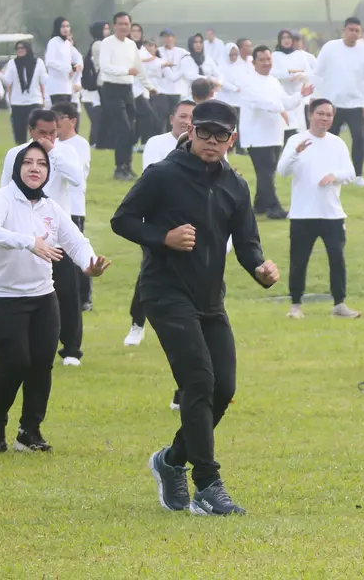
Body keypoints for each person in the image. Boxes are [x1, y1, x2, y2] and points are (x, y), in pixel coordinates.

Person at [112, 100, 281, 516]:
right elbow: (123, 220)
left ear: (232, 139)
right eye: (203, 132)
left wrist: (261, 267)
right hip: (165, 293)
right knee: (199, 382)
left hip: (210, 299)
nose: (210, 141)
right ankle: (206, 483)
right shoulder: (163, 174)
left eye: (219, 135)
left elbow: (246, 244)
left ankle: (170, 461)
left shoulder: (236, 186)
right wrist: (162, 237)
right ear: (191, 132)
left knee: (223, 388)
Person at [0, 141, 109, 453]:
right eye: (28, 163)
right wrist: (28, 242)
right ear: (16, 168)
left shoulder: (50, 207)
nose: (35, 168)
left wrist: (89, 265)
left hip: (41, 295)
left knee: (41, 363)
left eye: (42, 164)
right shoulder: (3, 198)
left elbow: (76, 241)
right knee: (15, 361)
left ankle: (29, 430)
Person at [0, 109, 88, 364]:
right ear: (31, 131)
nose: (48, 138)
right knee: (24, 293)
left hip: (57, 236)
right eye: (42, 134)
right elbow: (5, 188)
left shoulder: (65, 152)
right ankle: (25, 343)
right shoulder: (15, 154)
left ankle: (71, 349)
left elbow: (77, 179)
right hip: (25, 237)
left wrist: (52, 152)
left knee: (68, 294)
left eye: (52, 133)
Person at [278, 98, 361, 319]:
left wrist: (336, 176)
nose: (324, 118)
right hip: (303, 214)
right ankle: (295, 305)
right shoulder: (297, 140)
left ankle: (339, 304)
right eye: (320, 114)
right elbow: (282, 171)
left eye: (329, 115)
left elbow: (351, 173)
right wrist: (295, 152)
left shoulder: (337, 143)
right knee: (299, 261)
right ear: (310, 115)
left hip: (331, 213)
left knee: (337, 258)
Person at [124, 99, 196, 348]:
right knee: (149, 271)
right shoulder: (156, 143)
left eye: (191, 118)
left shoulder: (204, 144)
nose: (187, 121)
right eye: (183, 116)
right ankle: (137, 324)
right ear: (172, 118)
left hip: (192, 220)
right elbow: (151, 176)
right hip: (157, 221)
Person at [243, 45, 311, 219]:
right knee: (265, 171)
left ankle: (259, 205)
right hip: (256, 136)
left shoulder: (273, 80)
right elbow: (261, 102)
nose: (266, 63)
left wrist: (300, 95)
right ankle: (274, 207)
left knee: (267, 171)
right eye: (262, 60)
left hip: (274, 134)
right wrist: (280, 109)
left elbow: (286, 102)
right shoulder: (249, 81)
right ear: (254, 62)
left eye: (268, 59)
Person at [315, 17, 364, 186]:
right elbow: (318, 73)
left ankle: (358, 175)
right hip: (331, 104)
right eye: (351, 30)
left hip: (356, 104)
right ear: (344, 30)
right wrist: (316, 96)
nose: (354, 34)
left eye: (357, 31)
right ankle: (330, 172)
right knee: (329, 138)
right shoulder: (330, 48)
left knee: (358, 137)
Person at [52, 103, 93, 312]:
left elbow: (75, 174)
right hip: (55, 206)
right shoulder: (53, 144)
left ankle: (84, 298)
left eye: (60, 117)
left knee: (77, 252)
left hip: (74, 207)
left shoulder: (80, 145)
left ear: (73, 120)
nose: (56, 121)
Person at [98, 12, 145, 181]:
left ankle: (127, 166)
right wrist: (125, 71)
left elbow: (139, 68)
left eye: (126, 24)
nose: (124, 27)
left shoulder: (131, 45)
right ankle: (119, 168)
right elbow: (104, 67)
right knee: (123, 128)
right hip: (111, 89)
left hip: (127, 89)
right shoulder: (107, 43)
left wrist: (150, 87)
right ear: (114, 26)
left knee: (132, 130)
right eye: (120, 24)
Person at [1, 41, 48, 145]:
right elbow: (7, 81)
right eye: (18, 48)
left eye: (22, 48)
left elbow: (44, 80)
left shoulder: (38, 62)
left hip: (34, 100)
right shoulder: (12, 63)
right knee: (19, 131)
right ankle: (20, 152)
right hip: (18, 102)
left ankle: (37, 149)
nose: (20, 50)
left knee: (36, 129)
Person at [81, 21, 108, 147]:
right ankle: (94, 142)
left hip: (96, 88)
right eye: (105, 29)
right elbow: (100, 66)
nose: (108, 31)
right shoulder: (99, 44)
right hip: (94, 89)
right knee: (97, 118)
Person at [45, 17, 76, 105]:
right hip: (56, 87)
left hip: (67, 86)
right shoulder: (53, 42)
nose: (65, 29)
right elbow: (49, 62)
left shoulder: (67, 43)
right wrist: (67, 68)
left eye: (67, 26)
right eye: (63, 26)